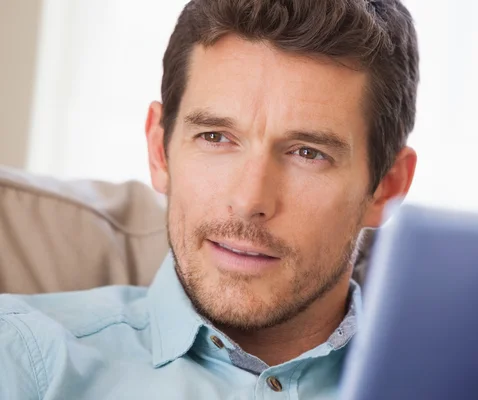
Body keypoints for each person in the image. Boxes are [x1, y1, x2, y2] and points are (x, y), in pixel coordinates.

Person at [0, 0, 419, 398]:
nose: (248, 199)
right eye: (215, 137)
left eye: (308, 153)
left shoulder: (449, 387)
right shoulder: (22, 357)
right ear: (159, 151)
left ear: (386, 186)